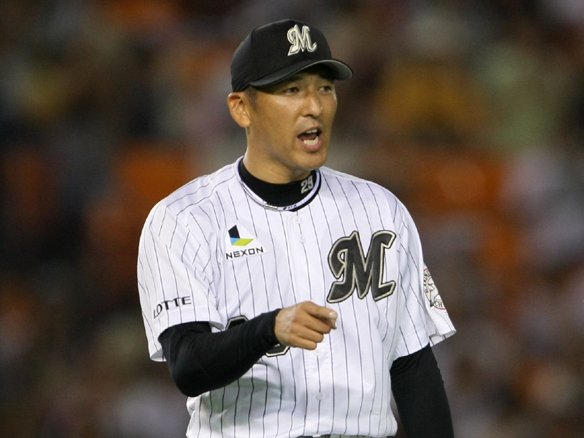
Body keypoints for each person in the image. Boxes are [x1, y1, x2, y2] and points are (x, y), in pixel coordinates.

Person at [137, 18, 456, 438]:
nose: (314, 106)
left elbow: (414, 367)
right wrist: (266, 330)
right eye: (291, 90)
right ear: (241, 108)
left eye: (324, 87)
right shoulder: (184, 219)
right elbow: (188, 365)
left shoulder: (381, 210)